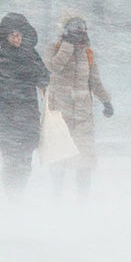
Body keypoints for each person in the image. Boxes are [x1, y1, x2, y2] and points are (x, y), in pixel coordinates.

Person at [0, 13, 50, 197]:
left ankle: (17, 195)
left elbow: (44, 79)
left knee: (25, 161)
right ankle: (12, 196)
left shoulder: (31, 57)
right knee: (11, 160)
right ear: (6, 37)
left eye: (20, 35)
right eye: (13, 35)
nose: (17, 39)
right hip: (4, 118)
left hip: (27, 116)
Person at [44, 13, 113, 197]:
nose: (79, 37)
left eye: (81, 33)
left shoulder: (88, 54)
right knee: (59, 159)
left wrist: (106, 100)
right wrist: (67, 46)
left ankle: (83, 199)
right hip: (60, 115)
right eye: (75, 33)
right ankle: (56, 196)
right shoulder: (54, 48)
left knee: (85, 160)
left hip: (83, 117)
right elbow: (53, 67)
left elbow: (95, 81)